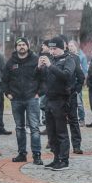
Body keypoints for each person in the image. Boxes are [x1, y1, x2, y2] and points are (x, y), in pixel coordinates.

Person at [2, 37, 43, 165]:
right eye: (19, 45)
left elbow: (43, 77)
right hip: (16, 99)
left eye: (24, 44)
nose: (22, 47)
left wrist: (39, 93)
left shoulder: (35, 60)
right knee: (19, 128)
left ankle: (37, 155)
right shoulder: (10, 62)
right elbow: (4, 80)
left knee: (34, 128)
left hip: (32, 98)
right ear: (16, 47)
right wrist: (8, 93)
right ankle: (22, 154)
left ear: (28, 46)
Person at [39, 37, 76, 171]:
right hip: (49, 99)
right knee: (51, 132)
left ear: (62, 48)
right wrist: (39, 68)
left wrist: (50, 66)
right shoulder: (52, 60)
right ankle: (56, 158)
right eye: (51, 49)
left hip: (61, 100)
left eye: (55, 49)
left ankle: (64, 160)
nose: (52, 51)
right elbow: (40, 78)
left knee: (61, 132)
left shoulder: (68, 60)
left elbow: (66, 76)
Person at [63, 38, 85, 154]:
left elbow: (81, 76)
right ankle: (58, 145)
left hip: (71, 94)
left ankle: (76, 145)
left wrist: (77, 89)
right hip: (57, 95)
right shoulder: (53, 58)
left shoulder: (75, 58)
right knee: (58, 120)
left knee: (73, 120)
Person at [68, 40, 88, 124]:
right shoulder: (68, 56)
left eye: (72, 46)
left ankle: (81, 119)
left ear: (76, 46)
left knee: (79, 102)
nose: (70, 47)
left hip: (78, 81)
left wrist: (83, 81)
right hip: (70, 83)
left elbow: (85, 70)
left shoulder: (81, 56)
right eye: (69, 46)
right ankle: (70, 118)